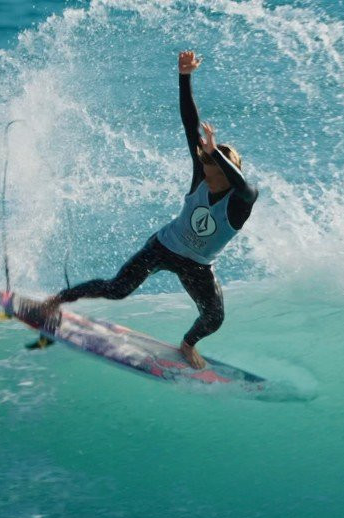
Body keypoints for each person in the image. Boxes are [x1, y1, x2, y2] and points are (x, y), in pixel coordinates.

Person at [14, 50, 259, 369]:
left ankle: (187, 345)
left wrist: (218, 156)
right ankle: (53, 302)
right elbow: (190, 124)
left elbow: (242, 185)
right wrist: (184, 77)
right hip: (164, 246)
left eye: (214, 174)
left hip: (198, 265)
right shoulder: (202, 172)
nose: (207, 178)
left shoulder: (242, 200)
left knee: (213, 318)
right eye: (206, 170)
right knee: (117, 290)